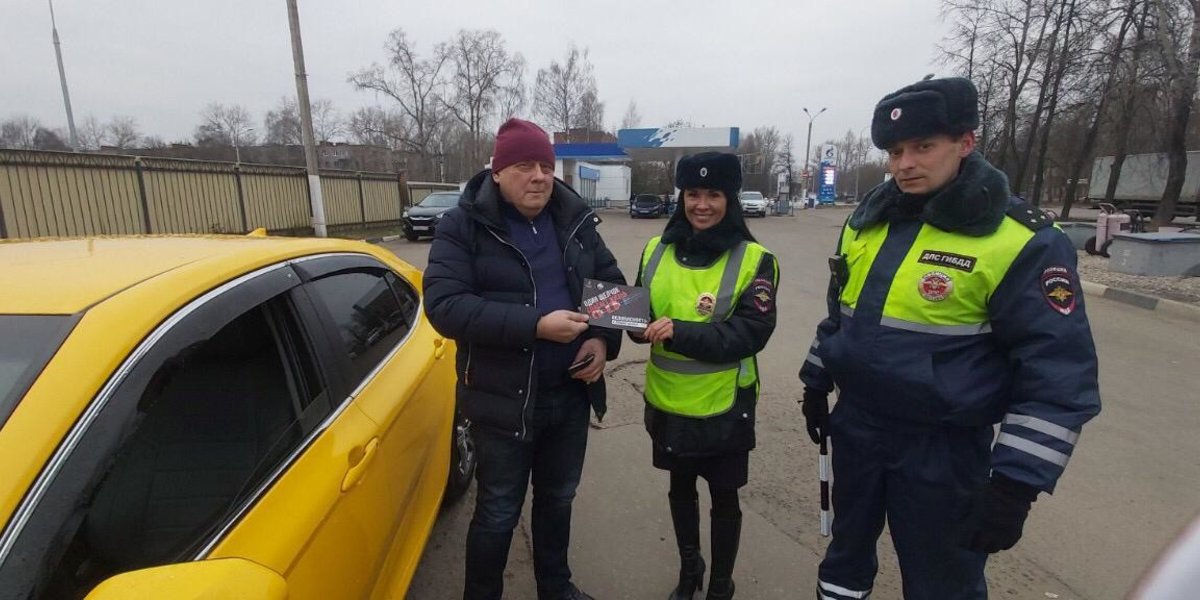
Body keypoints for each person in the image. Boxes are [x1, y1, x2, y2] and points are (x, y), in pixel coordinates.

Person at [798, 77, 1101, 599]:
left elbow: (1058, 373)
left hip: (943, 449)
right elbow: (840, 316)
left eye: (923, 147)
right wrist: (816, 379)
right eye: (894, 151)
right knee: (844, 560)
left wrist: (1015, 485)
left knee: (943, 583)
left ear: (966, 142)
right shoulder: (866, 222)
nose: (904, 164)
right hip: (859, 430)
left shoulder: (1019, 239)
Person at [424, 118, 625, 600]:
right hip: (503, 399)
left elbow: (613, 290)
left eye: (545, 166)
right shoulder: (463, 226)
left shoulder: (572, 219)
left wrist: (600, 340)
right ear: (497, 171)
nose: (538, 176)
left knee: (558, 500)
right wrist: (535, 324)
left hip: (569, 396)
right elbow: (446, 307)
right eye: (524, 166)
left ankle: (556, 588)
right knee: (496, 510)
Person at [632, 152, 780, 600]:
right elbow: (643, 310)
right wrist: (634, 328)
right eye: (693, 194)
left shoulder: (756, 259)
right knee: (680, 490)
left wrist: (679, 332)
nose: (702, 204)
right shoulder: (655, 249)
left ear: (729, 198)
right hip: (668, 398)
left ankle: (720, 582)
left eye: (713, 194)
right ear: (681, 197)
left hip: (725, 403)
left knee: (724, 498)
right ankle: (689, 570)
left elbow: (751, 332)